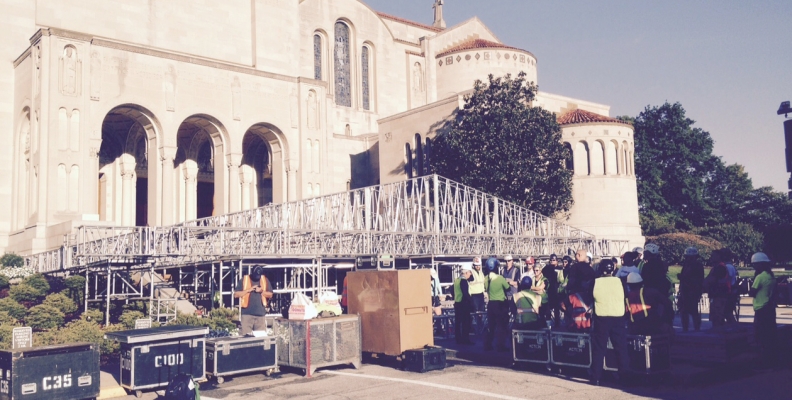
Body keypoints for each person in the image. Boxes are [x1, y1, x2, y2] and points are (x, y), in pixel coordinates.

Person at [591, 258, 629, 386]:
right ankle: (624, 376)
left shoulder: (595, 282)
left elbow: (589, 296)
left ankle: (596, 377)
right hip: (618, 316)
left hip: (601, 317)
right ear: (613, 269)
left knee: (599, 348)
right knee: (621, 348)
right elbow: (625, 296)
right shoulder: (620, 281)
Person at [750, 252, 777, 369]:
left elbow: (752, 292)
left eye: (755, 265)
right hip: (770, 307)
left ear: (760, 265)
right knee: (770, 335)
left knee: (760, 335)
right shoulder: (771, 276)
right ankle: (771, 360)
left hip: (761, 308)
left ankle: (762, 362)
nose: (754, 267)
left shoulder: (760, 277)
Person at [234, 266, 274, 335]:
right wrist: (248, 290)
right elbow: (236, 294)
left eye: (259, 275)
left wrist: (261, 291)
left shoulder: (264, 280)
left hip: (260, 315)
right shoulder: (245, 279)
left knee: (260, 339)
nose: (257, 277)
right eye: (256, 275)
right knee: (245, 339)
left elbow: (270, 295)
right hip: (247, 315)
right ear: (252, 272)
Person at [483, 257, 511, 352]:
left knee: (491, 326)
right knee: (501, 326)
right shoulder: (500, 278)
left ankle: (488, 344)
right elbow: (508, 288)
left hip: (491, 304)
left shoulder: (486, 279)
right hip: (500, 304)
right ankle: (500, 345)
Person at [677, 247, 705, 332]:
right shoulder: (686, 265)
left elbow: (698, 280)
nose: (688, 259)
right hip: (684, 291)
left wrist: (684, 278)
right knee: (683, 310)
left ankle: (697, 328)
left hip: (692, 291)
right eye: (687, 257)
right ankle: (685, 328)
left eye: (690, 257)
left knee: (694, 311)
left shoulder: (698, 266)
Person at [705, 252, 731, 328]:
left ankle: (718, 332)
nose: (711, 258)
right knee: (715, 316)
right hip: (716, 295)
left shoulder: (720, 268)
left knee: (718, 316)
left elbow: (711, 280)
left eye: (714, 256)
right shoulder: (716, 267)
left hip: (720, 295)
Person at [454, 265, 475, 345]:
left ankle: (458, 339)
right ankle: (465, 340)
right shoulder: (463, 281)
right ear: (466, 272)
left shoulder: (457, 280)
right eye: (470, 272)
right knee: (466, 323)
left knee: (458, 322)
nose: (470, 274)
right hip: (464, 304)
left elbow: (452, 290)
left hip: (457, 303)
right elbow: (465, 293)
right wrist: (471, 302)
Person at [721, 248, 739, 323]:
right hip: (731, 292)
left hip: (729, 293)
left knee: (727, 312)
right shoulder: (730, 266)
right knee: (727, 312)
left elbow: (727, 279)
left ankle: (733, 327)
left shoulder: (728, 267)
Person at [543, 254, 561, 325]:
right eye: (551, 260)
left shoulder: (560, 269)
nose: (552, 261)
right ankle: (548, 323)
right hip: (549, 290)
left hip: (557, 290)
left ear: (557, 261)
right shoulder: (547, 268)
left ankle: (557, 323)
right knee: (548, 308)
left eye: (553, 260)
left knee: (557, 309)